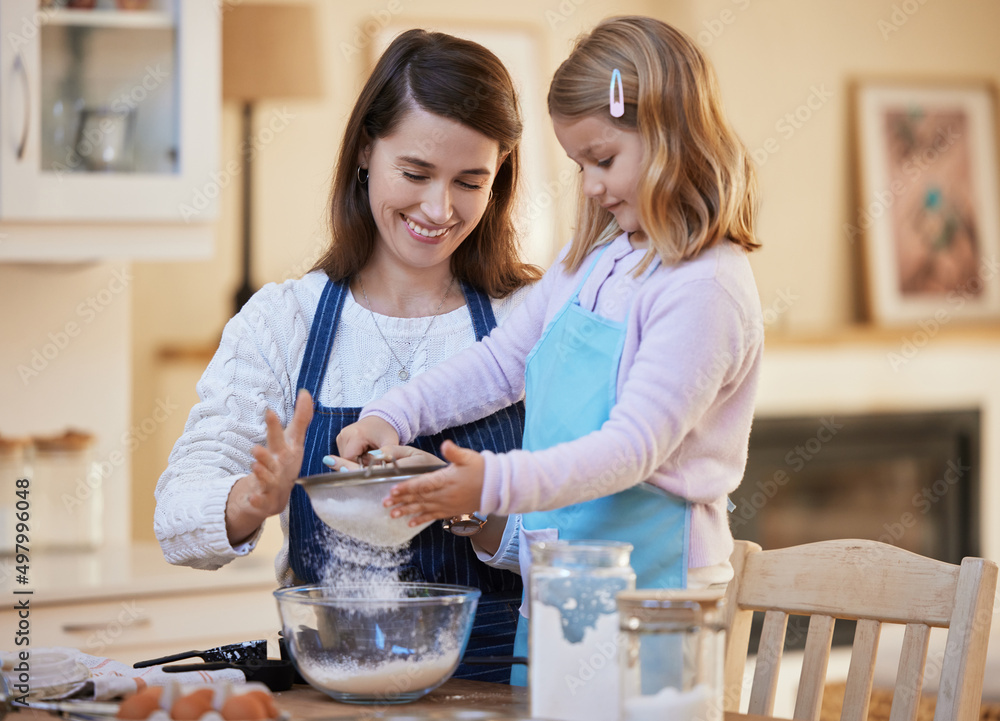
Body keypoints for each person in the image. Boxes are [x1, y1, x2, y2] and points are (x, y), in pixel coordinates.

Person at [334, 15, 764, 684]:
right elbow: (503, 361)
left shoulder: (705, 287)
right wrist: (394, 413)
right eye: (579, 163)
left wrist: (490, 482)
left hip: (657, 603)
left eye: (605, 159)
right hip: (563, 593)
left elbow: (632, 450)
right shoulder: (596, 263)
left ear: (671, 136)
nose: (590, 184)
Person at [154, 29, 541, 684]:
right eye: (415, 173)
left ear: (499, 176)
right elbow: (175, 514)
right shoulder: (284, 321)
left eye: (469, 181)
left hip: (499, 690)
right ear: (365, 149)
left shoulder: (531, 319)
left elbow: (591, 535)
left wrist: (473, 508)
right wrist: (252, 496)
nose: (438, 208)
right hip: (329, 691)